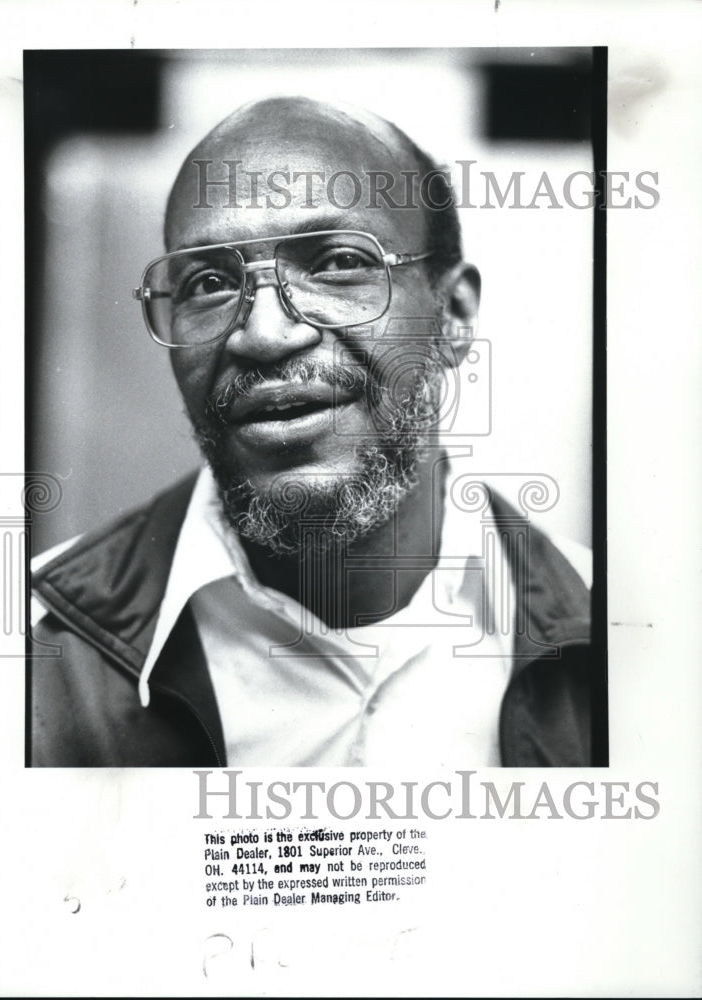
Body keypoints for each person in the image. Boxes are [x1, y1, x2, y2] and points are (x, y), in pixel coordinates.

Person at [29, 97, 596, 767]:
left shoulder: (623, 644)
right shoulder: (30, 654)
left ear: (453, 315)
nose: (266, 334)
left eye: (335, 263)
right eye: (210, 281)